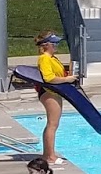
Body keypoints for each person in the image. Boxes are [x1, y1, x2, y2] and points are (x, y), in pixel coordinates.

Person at [31, 31, 73, 165]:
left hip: (54, 92)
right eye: (54, 43)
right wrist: (67, 79)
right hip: (49, 92)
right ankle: (50, 157)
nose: (56, 46)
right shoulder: (44, 58)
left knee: (53, 124)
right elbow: (48, 78)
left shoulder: (52, 58)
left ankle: (48, 154)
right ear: (46, 45)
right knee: (52, 124)